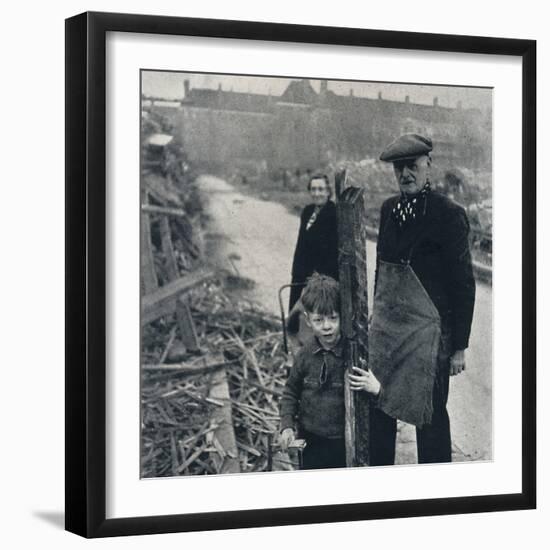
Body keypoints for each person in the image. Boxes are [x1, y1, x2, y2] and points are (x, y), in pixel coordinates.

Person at [365, 133, 476, 466]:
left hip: (431, 337)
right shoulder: (388, 210)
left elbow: (463, 283)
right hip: (388, 333)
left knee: (429, 417)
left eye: (412, 166)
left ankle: (435, 488)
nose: (405, 175)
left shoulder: (448, 214)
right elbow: (381, 273)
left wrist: (459, 346)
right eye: (399, 169)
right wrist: (377, 318)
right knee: (380, 405)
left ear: (429, 165)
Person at [279, 274, 381, 470]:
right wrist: (287, 425)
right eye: (319, 320)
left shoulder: (355, 356)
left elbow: (378, 400)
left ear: (342, 315)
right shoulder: (305, 356)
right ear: (308, 321)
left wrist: (376, 389)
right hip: (310, 439)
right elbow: (290, 392)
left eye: (333, 318)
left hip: (345, 441)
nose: (327, 326)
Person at [287, 174, 339, 335]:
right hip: (301, 272)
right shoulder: (307, 211)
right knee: (295, 315)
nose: (317, 193)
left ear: (329, 191)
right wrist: (297, 271)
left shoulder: (334, 213)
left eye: (321, 189)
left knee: (317, 314)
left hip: (321, 276)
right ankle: (294, 346)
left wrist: (316, 278)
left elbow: (332, 251)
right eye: (313, 189)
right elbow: (301, 243)